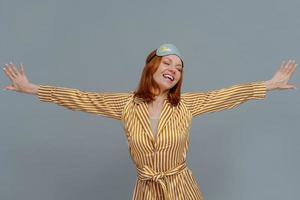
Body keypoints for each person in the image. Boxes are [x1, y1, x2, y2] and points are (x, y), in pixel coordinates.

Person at [2, 43, 297, 200]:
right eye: (167, 62)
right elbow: (82, 98)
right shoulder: (126, 104)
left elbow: (228, 95)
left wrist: (269, 84)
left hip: (182, 189)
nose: (173, 70)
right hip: (146, 191)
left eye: (179, 68)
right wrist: (32, 88)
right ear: (152, 66)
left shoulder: (185, 105)